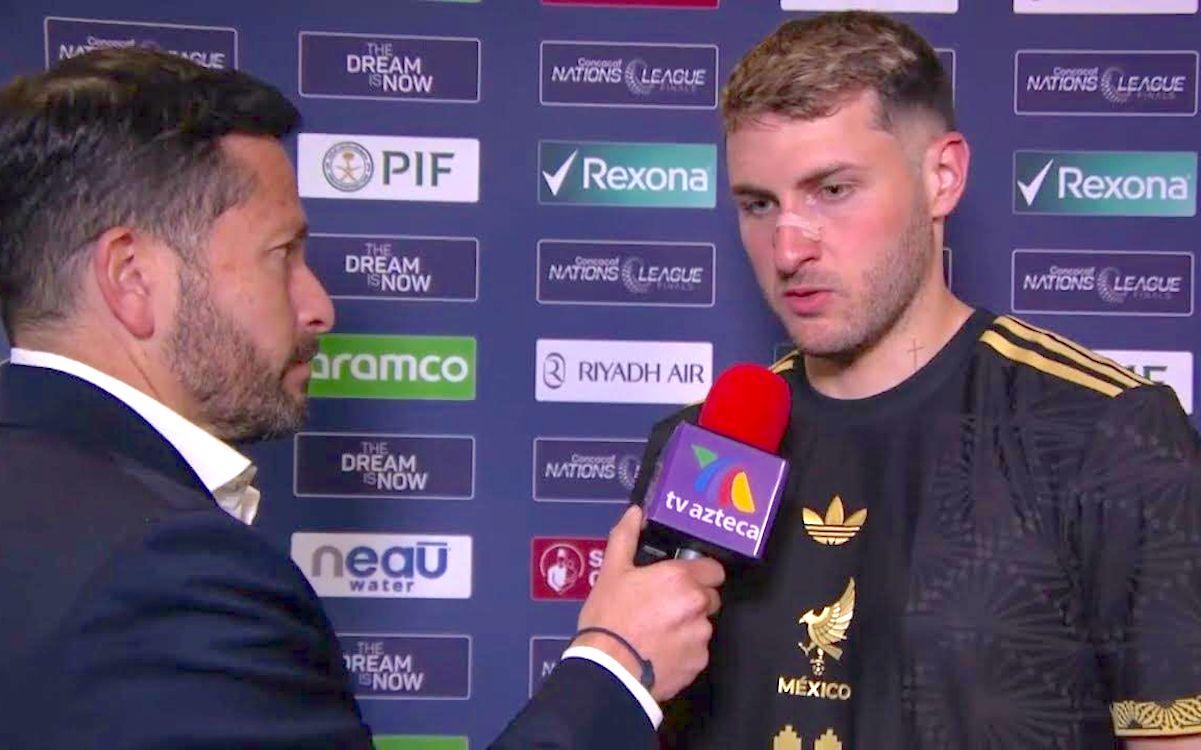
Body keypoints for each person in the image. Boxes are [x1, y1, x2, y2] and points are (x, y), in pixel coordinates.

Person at [0, 48, 723, 750]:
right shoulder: (167, 570)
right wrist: (616, 666)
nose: (319, 307)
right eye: (282, 254)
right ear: (131, 277)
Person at [628, 12, 1201, 749]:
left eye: (832, 190)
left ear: (942, 178)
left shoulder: (1107, 437)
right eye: (758, 204)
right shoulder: (700, 448)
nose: (788, 248)